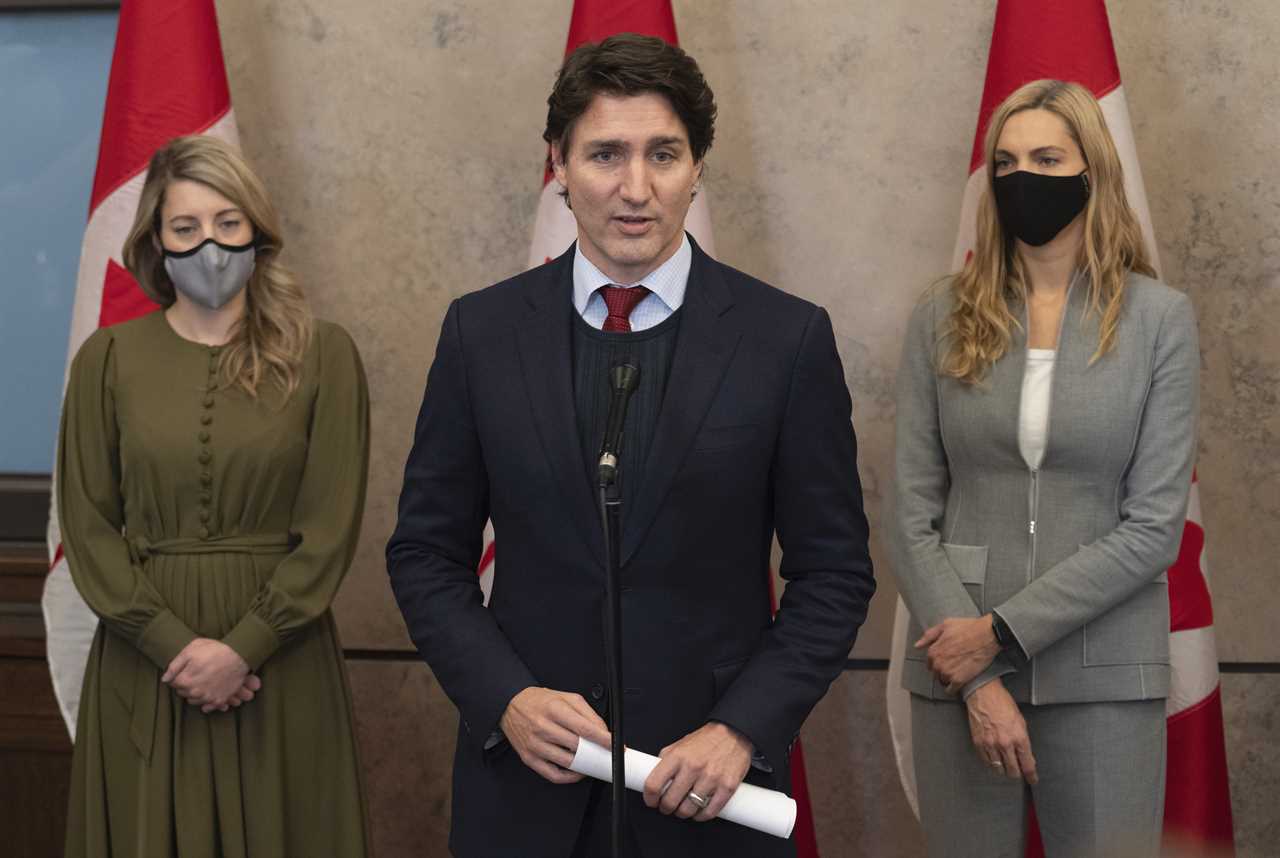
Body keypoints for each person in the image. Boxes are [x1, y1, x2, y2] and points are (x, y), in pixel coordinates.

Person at [387, 33, 875, 858]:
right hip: (528, 796)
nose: (636, 188)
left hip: (706, 793)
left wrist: (741, 730)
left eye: (664, 154)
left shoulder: (784, 339)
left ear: (698, 168)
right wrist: (504, 697)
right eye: (606, 154)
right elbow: (424, 554)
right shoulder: (483, 333)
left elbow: (834, 573)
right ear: (560, 165)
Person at [892, 79, 1199, 858]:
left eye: (1046, 158)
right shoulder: (941, 313)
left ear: (1090, 170)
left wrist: (997, 634)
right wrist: (976, 672)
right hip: (958, 674)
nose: (1021, 176)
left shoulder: (1161, 320)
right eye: (1006, 161)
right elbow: (909, 512)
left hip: (1103, 671)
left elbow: (1154, 528)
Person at [57, 135, 369, 857]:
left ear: (257, 231)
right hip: (146, 662)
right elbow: (90, 526)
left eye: (228, 225)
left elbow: (329, 530)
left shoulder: (324, 355)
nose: (210, 246)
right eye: (186, 228)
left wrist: (244, 648)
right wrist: (175, 646)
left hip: (281, 663)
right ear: (155, 243)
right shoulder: (107, 358)